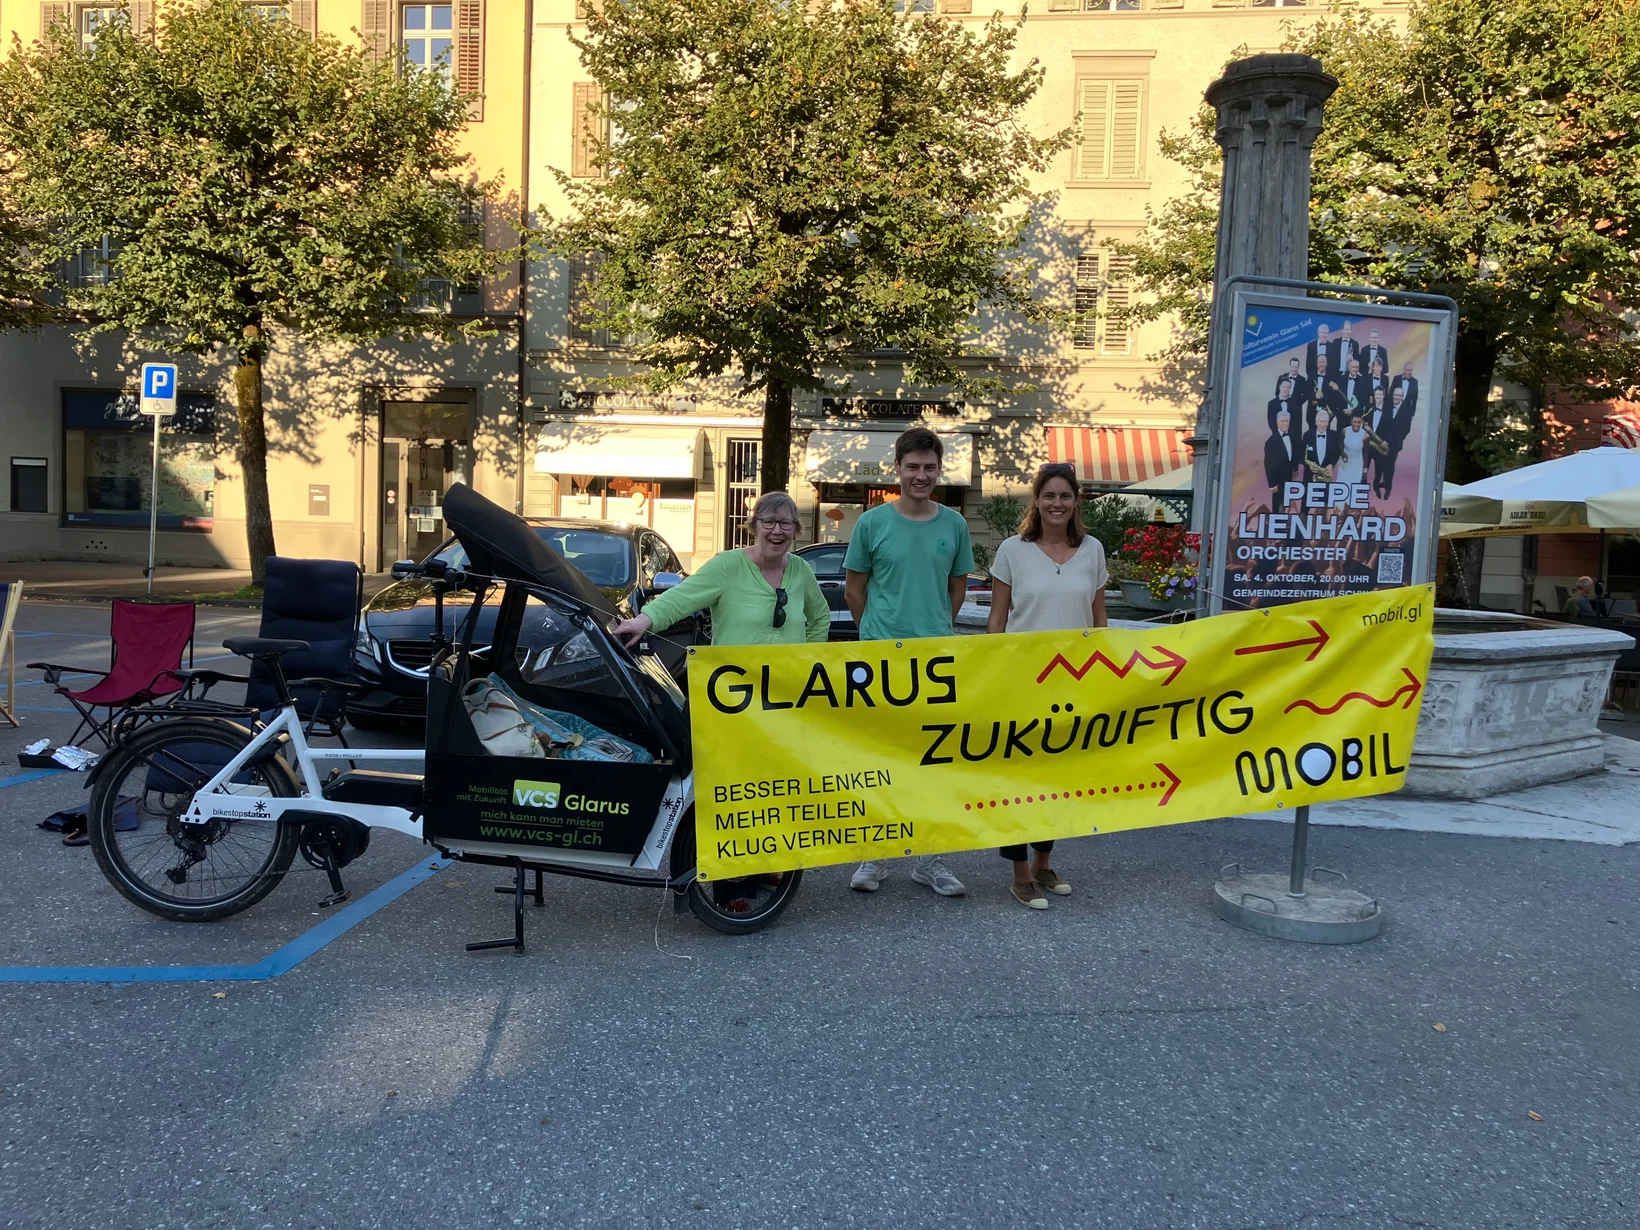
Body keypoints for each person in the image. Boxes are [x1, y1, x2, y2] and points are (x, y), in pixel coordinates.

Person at [844, 427, 976, 898]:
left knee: (934, 760)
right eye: (913, 467)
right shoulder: (871, 523)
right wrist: (875, 634)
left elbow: (957, 588)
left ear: (940, 470)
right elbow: (854, 589)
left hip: (935, 662)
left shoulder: (954, 525)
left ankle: (930, 858)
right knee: (878, 759)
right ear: (896, 468)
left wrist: (936, 627)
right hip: (882, 659)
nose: (921, 475)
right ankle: (873, 856)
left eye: (930, 467)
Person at [985, 463, 1107, 909]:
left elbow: (1099, 621)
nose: (1057, 503)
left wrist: (1101, 673)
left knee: (1060, 776)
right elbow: (997, 619)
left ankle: (1043, 861)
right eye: (1049, 495)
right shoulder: (1012, 551)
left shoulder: (1092, 550)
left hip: (1073, 684)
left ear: (1076, 501)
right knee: (1020, 777)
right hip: (1022, 682)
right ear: (1035, 501)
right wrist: (992, 673)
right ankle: (1019, 873)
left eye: (1065, 496)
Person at [611, 490, 829, 650]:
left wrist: (807, 659)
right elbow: (681, 598)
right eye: (769, 522)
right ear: (755, 526)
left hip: (786, 690)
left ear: (795, 529)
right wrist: (642, 621)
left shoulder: (801, 569)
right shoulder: (726, 566)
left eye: (785, 523)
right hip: (734, 689)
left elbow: (820, 617)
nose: (777, 531)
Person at [1265, 408, 1299, 506]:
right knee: (1277, 502)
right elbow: (1268, 464)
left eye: (1287, 421)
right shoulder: (1271, 441)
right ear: (1277, 422)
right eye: (1282, 421)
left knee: (1287, 501)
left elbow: (1294, 453)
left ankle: (1286, 519)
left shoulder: (1292, 436)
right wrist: (1272, 484)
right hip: (1277, 478)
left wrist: (1295, 468)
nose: (1285, 424)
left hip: (1289, 475)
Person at [1304, 407, 1342, 481]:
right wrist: (1308, 466)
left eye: (1325, 421)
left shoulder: (1334, 436)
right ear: (1316, 422)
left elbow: (1337, 453)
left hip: (1326, 475)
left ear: (1328, 423)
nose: (1323, 424)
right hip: (1310, 476)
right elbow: (1301, 453)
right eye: (1321, 421)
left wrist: (1331, 465)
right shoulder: (1307, 435)